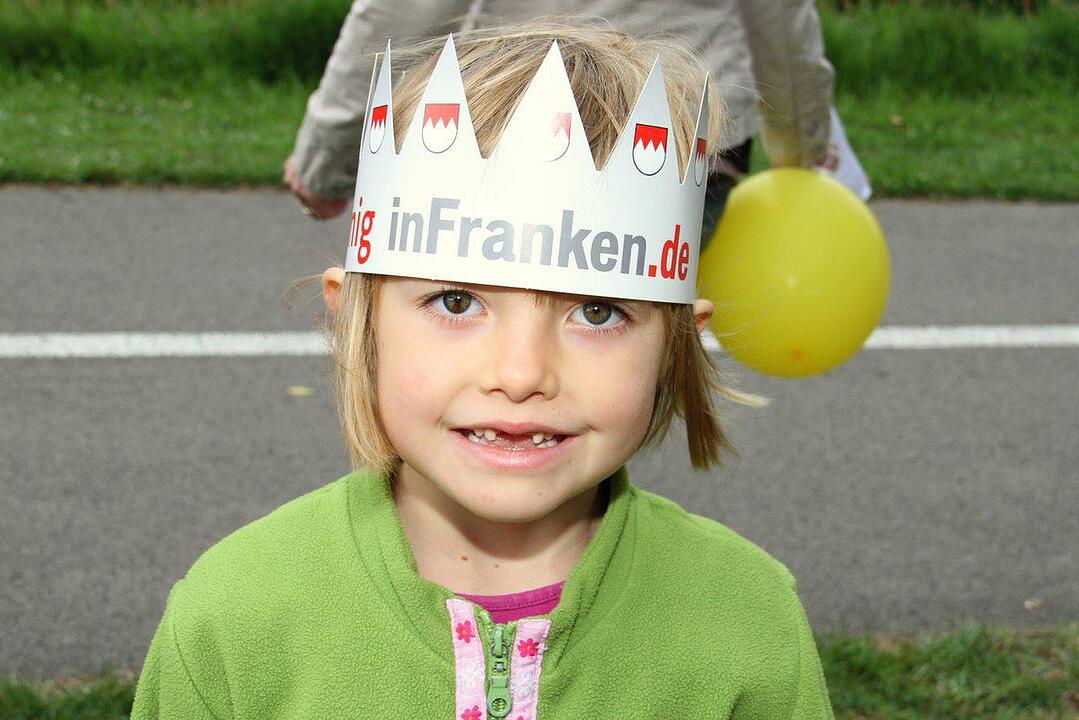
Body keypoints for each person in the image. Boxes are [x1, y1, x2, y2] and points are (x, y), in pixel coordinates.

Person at [132, 20, 835, 719]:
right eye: (456, 300)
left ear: (674, 348)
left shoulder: (748, 621)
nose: (522, 372)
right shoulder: (232, 620)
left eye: (596, 313)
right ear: (357, 324)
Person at [284, 0, 838, 246]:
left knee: (491, 346)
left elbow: (401, 11)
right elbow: (781, 24)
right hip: (681, 132)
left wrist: (329, 156)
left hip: (515, 117)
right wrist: (802, 149)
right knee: (623, 344)